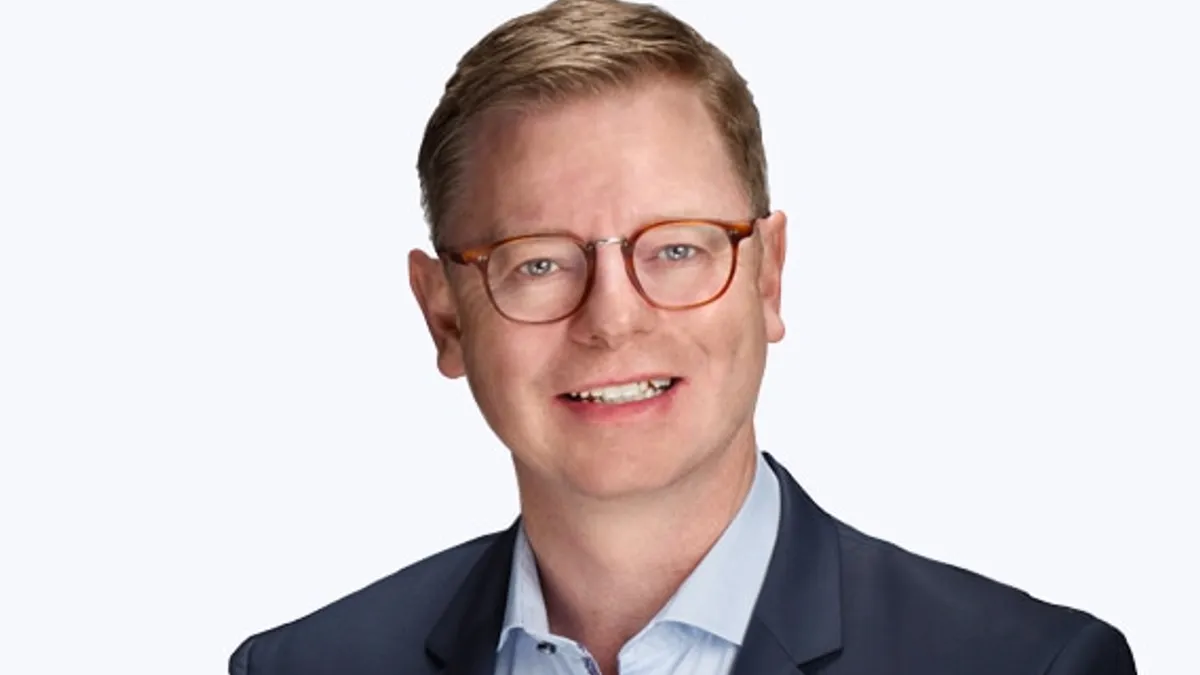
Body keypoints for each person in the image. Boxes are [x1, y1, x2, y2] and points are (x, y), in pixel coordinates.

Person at [229, 1, 1137, 673]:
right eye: (538, 261)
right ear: (444, 314)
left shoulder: (1030, 666)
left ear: (768, 278)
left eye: (675, 249)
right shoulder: (301, 667)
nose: (614, 317)